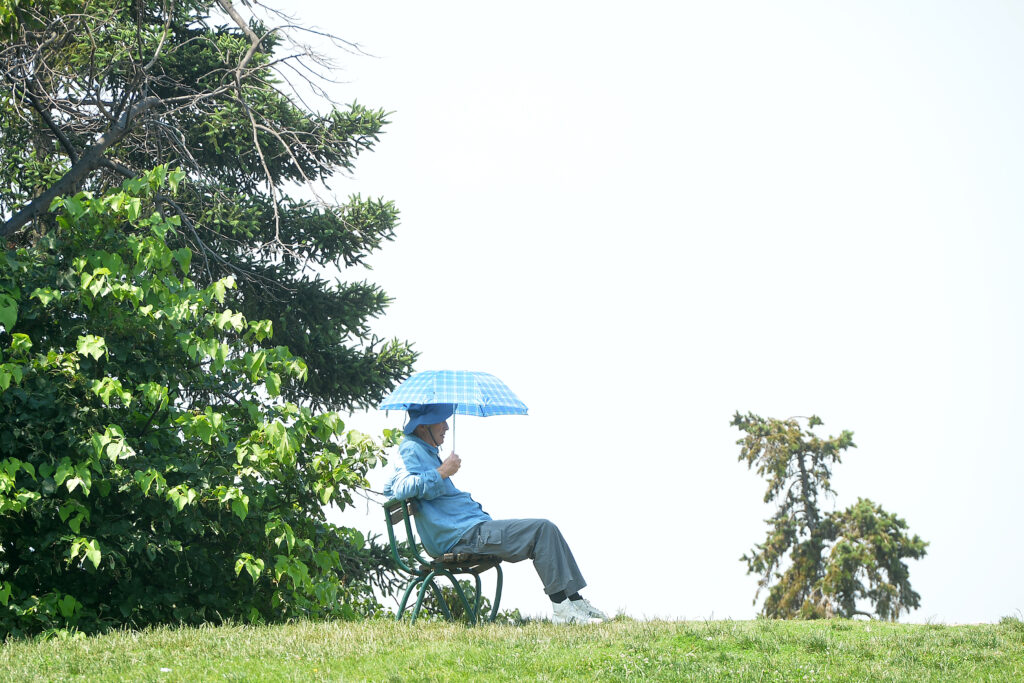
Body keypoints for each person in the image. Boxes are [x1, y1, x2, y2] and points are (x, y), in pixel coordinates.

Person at [383, 403, 608, 624]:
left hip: (466, 531)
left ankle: (575, 602)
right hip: (461, 536)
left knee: (549, 530)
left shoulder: (422, 451)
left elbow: (388, 486)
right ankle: (562, 611)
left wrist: (439, 471)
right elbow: (401, 489)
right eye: (441, 421)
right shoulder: (411, 448)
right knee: (542, 530)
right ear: (423, 427)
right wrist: (442, 472)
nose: (446, 427)